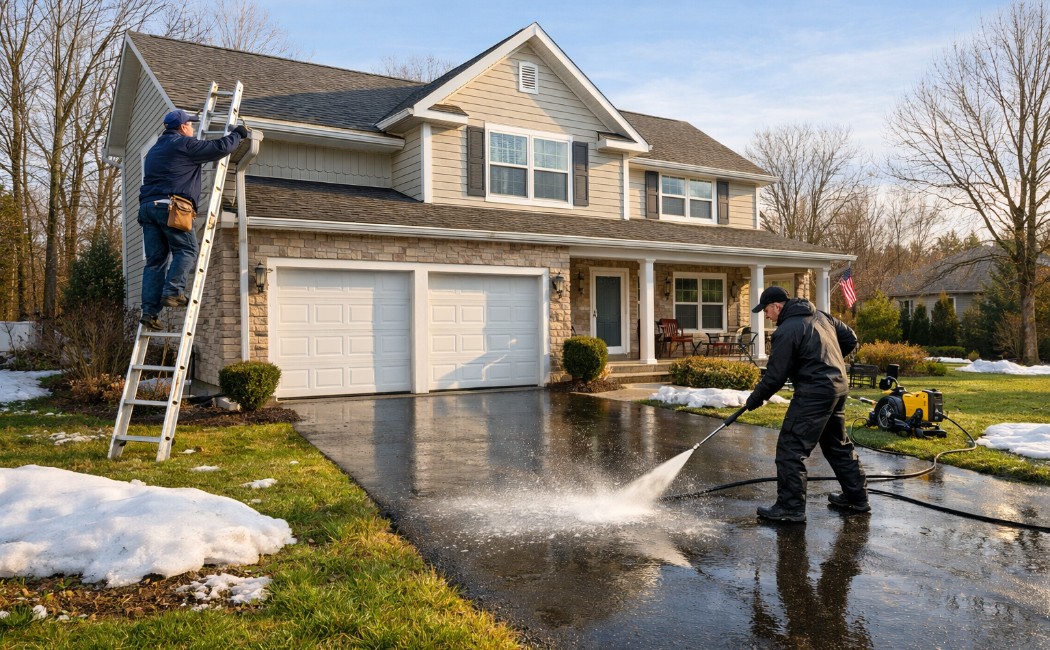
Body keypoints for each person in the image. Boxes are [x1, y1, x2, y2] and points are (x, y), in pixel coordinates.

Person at [744, 286, 868, 523]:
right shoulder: (822, 316)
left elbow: (775, 376)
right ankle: (857, 497)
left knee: (791, 448)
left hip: (814, 393)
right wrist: (828, 360)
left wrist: (754, 398)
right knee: (836, 444)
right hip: (838, 388)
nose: (766, 316)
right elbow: (850, 338)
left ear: (777, 306)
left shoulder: (787, 331)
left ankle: (790, 508)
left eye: (767, 311)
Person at [138, 109, 247, 330]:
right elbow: (220, 148)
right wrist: (238, 133)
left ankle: (149, 312)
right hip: (171, 207)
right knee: (186, 251)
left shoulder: (154, 150)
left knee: (155, 261)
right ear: (182, 127)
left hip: (147, 208)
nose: (193, 128)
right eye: (191, 125)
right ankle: (173, 292)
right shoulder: (183, 145)